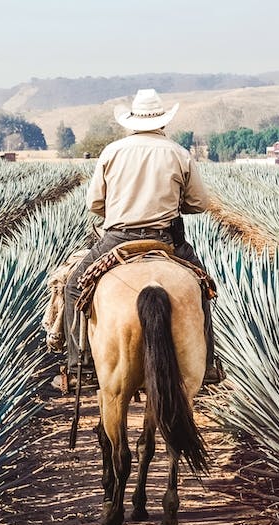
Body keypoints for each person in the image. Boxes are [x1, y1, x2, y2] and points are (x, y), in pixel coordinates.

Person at [59, 88, 222, 390]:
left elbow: (94, 204)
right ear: (162, 122)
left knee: (72, 287)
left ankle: (78, 362)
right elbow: (198, 204)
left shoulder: (112, 152)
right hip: (166, 239)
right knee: (202, 287)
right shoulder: (179, 153)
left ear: (132, 121)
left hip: (117, 239)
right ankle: (208, 365)